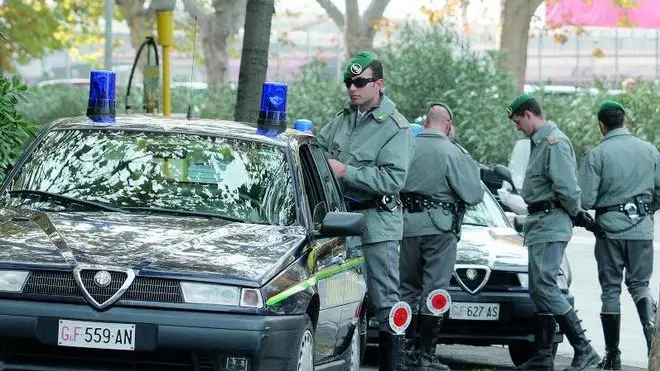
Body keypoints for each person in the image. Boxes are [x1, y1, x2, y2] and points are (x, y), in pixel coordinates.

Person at [317, 51, 414, 371]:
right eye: (349, 82)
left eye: (360, 82)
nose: (352, 88)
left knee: (384, 302)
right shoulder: (343, 119)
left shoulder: (395, 128)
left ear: (379, 84)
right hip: (340, 223)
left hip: (377, 224)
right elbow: (318, 151)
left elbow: (393, 179)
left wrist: (347, 172)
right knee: (342, 300)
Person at [506, 94, 600, 371]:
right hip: (540, 221)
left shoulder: (553, 143)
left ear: (529, 114)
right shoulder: (539, 143)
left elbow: (568, 188)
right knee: (539, 289)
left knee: (545, 286)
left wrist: (577, 213)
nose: (517, 127)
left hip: (550, 221)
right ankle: (543, 356)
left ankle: (585, 349)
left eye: (517, 121)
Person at [399, 102, 483, 370]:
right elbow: (474, 194)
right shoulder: (452, 151)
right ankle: (427, 356)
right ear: (448, 125)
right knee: (435, 290)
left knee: (406, 289)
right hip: (440, 229)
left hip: (406, 226)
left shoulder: (406, 146)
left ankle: (405, 352)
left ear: (425, 123)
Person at [577, 100, 660, 368]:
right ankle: (653, 350)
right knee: (640, 285)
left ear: (601, 125)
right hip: (642, 231)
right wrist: (645, 211)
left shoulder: (597, 154)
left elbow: (587, 199)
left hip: (608, 232)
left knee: (610, 290)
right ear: (625, 120)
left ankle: (612, 356)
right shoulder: (649, 150)